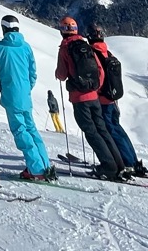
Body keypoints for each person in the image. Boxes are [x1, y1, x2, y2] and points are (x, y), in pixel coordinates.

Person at [54, 16, 130, 181]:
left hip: (79, 98)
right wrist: (94, 88)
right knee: (102, 130)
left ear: (62, 31)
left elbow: (61, 74)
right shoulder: (86, 46)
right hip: (94, 97)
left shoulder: (65, 48)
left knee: (91, 132)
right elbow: (100, 71)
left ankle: (108, 167)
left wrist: (61, 75)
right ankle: (118, 165)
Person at [0, 15, 55, 182]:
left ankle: (36, 169)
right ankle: (45, 165)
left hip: (10, 95)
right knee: (31, 129)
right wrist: (26, 88)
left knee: (20, 131)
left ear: (3, 28)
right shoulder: (26, 47)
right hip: (25, 95)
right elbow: (33, 73)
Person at [88, 24, 147, 177]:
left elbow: (100, 77)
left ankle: (127, 162)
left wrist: (95, 91)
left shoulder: (93, 53)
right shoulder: (107, 51)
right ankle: (133, 160)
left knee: (111, 131)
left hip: (102, 99)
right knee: (118, 129)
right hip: (112, 99)